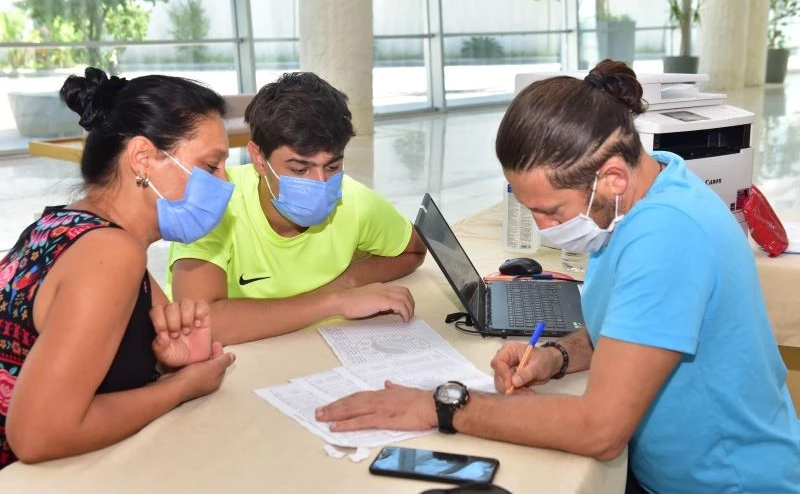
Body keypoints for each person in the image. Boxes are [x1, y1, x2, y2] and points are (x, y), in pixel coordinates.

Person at [316, 60, 800, 493]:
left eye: (551, 211)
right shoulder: (639, 197)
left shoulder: (666, 237)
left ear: (612, 178)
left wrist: (442, 406)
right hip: (667, 473)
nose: (544, 228)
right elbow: (628, 331)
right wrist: (556, 357)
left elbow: (600, 430)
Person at [0, 68, 237, 468]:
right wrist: (181, 387)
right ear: (143, 158)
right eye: (212, 166)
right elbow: (38, 435)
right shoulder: (112, 253)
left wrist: (173, 361)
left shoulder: (62, 223)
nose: (225, 181)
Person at [167, 72, 426, 345]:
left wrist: (347, 282)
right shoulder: (216, 205)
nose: (320, 183)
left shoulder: (352, 200)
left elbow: (414, 250)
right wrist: (335, 301)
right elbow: (200, 324)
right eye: (300, 169)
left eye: (332, 166)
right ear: (259, 158)